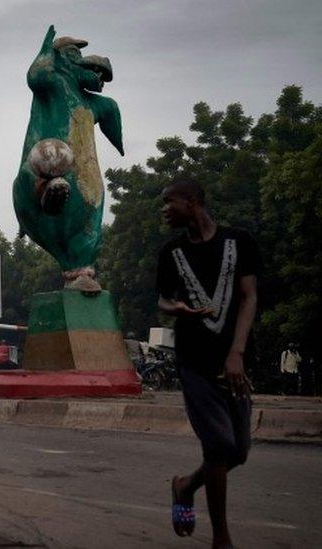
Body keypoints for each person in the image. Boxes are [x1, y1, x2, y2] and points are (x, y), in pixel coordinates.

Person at [157, 179, 260, 547]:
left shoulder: (240, 241)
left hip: (234, 361)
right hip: (194, 361)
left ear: (192, 200)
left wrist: (237, 352)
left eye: (169, 202)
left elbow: (249, 298)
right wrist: (177, 307)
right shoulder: (171, 251)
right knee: (218, 446)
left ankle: (185, 485)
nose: (164, 209)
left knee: (239, 451)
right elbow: (164, 301)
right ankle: (221, 538)